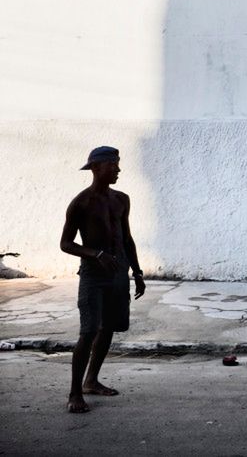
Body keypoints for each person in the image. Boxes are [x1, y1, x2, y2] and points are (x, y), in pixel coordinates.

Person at [60, 146, 145, 413]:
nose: (118, 169)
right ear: (96, 168)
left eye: (118, 163)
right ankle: (75, 393)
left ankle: (91, 381)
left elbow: (127, 239)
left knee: (108, 328)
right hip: (93, 277)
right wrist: (95, 254)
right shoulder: (81, 203)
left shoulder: (122, 199)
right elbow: (65, 243)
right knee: (88, 332)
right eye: (113, 164)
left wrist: (138, 272)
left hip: (118, 275)